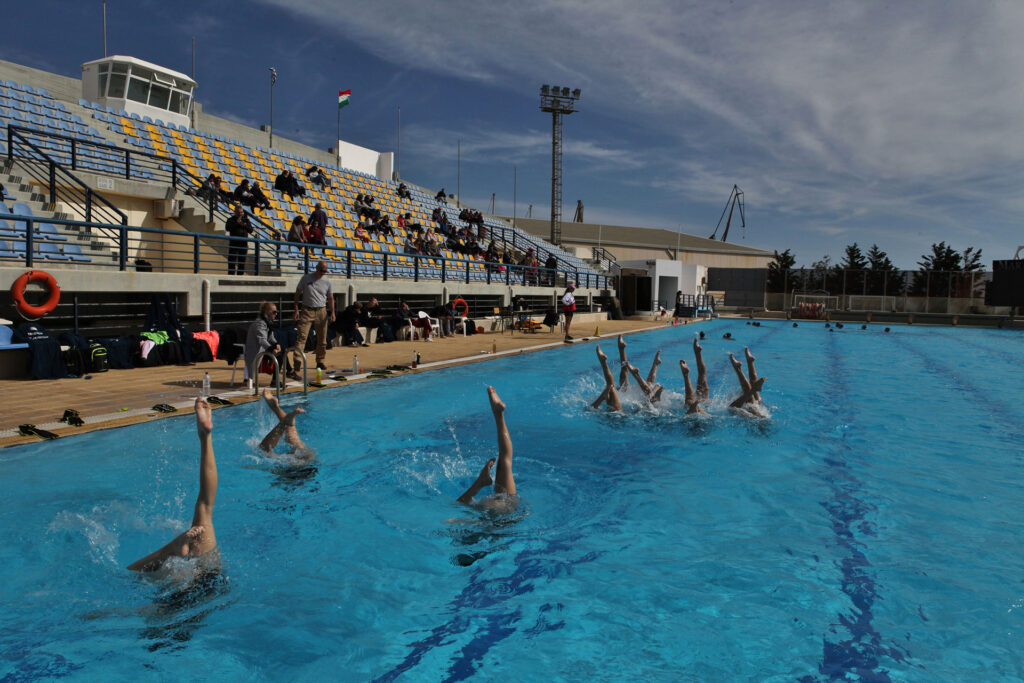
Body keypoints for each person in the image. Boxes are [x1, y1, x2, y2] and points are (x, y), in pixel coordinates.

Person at [128, 398, 218, 571]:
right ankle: (169, 550)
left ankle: (206, 438)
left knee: (205, 508)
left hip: (210, 574)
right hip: (209, 585)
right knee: (204, 507)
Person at [457, 387, 517, 507]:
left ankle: (498, 414)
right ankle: (498, 416)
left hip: (509, 508)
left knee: (505, 462)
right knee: (505, 462)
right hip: (502, 514)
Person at [293, 261, 335, 375]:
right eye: (321, 270)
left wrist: (332, 312)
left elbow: (330, 298)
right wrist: (296, 309)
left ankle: (320, 361)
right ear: (316, 268)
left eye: (325, 271)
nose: (323, 273)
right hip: (307, 310)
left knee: (322, 339)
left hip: (321, 311)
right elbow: (297, 293)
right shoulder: (306, 278)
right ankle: (297, 361)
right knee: (302, 337)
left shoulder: (327, 281)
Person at [258, 388, 313, 459]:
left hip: (307, 461)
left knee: (295, 441)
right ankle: (284, 421)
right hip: (302, 464)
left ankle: (277, 410)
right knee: (263, 450)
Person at [245, 301, 286, 385]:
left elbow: (271, 338)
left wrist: (276, 344)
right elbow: (262, 340)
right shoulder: (259, 323)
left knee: (282, 351)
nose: (276, 314)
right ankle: (286, 373)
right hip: (256, 351)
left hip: (262, 350)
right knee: (280, 354)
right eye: (274, 312)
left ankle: (278, 378)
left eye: (276, 312)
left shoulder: (267, 322)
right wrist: (272, 349)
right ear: (266, 312)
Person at [727, 349, 766, 414]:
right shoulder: (755, 417)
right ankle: (738, 368)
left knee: (753, 392)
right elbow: (731, 407)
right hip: (756, 411)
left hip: (759, 407)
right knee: (749, 392)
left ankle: (750, 362)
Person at [590, 345, 623, 412]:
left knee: (611, 387)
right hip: (617, 416)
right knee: (611, 387)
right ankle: (603, 397)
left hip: (617, 415)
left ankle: (603, 397)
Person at [225, 204, 253, 275]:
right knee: (232, 262)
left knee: (242, 263)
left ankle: (240, 277)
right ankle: (231, 277)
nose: (240, 214)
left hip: (243, 244)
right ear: (235, 212)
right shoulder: (230, 220)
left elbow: (251, 230)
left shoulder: (246, 220)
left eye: (241, 212)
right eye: (238, 212)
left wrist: (245, 225)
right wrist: (237, 223)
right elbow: (228, 228)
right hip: (233, 244)